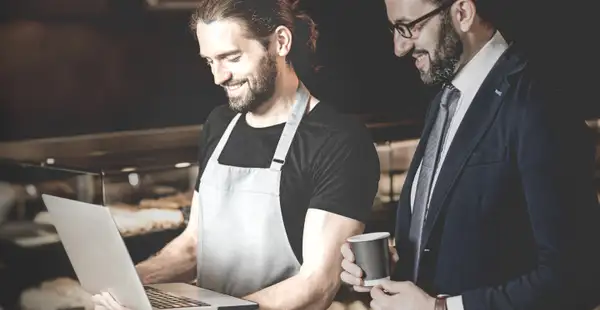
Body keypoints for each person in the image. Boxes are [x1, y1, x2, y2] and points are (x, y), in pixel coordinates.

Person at [92, 0, 380, 309]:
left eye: (231, 57)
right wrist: (128, 284)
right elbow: (195, 245)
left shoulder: (337, 140)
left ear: (280, 42)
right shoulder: (219, 123)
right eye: (210, 61)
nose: (219, 77)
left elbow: (316, 284)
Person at [340, 0, 600, 309]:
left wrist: (441, 308)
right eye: (394, 29)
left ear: (463, 13)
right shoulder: (443, 103)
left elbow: (575, 277)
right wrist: (400, 263)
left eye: (408, 27)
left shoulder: (537, 101)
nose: (399, 48)